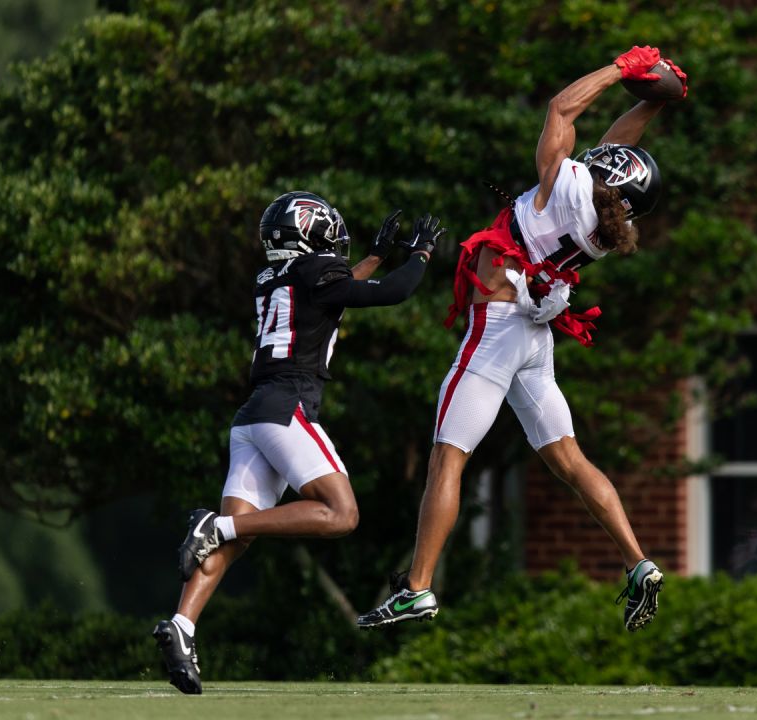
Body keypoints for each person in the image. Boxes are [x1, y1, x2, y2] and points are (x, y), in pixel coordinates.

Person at [357, 46, 687, 633]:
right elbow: (617, 151)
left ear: (604, 178)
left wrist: (621, 68)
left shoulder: (566, 186)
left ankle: (417, 587)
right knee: (570, 459)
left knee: (446, 457)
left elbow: (562, 109)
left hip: (499, 329)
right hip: (537, 338)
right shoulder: (607, 220)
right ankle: (638, 563)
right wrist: (653, 100)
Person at [152, 191, 446, 695]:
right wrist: (418, 255)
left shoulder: (276, 277)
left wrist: (374, 256)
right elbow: (391, 293)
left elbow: (335, 291)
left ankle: (182, 625)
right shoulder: (312, 275)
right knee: (340, 514)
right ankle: (215, 524)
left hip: (254, 415)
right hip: (288, 408)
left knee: (236, 538)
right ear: (307, 231)